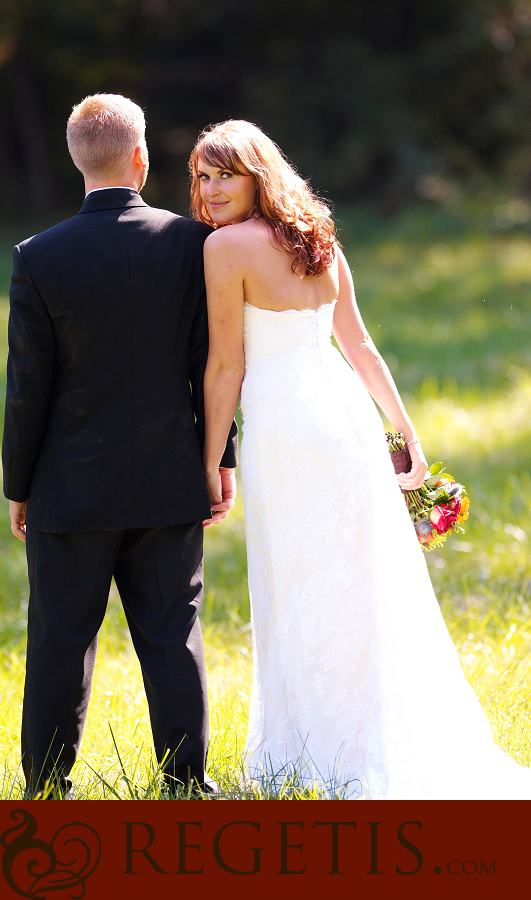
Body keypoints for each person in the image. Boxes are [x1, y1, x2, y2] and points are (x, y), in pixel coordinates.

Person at [190, 119, 531, 799]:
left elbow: (226, 364)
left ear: (260, 174)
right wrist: (403, 429)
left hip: (287, 429)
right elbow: (362, 350)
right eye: (201, 175)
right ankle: (362, 731)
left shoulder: (225, 249)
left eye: (225, 173)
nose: (210, 188)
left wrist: (209, 460)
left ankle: (319, 747)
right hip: (342, 418)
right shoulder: (317, 240)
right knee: (358, 578)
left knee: (302, 580)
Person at [1, 94, 238, 799]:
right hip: (171, 481)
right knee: (172, 636)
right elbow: (218, 365)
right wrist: (220, 462)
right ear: (140, 157)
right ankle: (185, 787)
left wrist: (18, 486)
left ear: (79, 161)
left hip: (67, 489)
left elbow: (26, 389)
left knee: (58, 643)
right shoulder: (191, 244)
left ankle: (46, 790)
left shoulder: (38, 257)